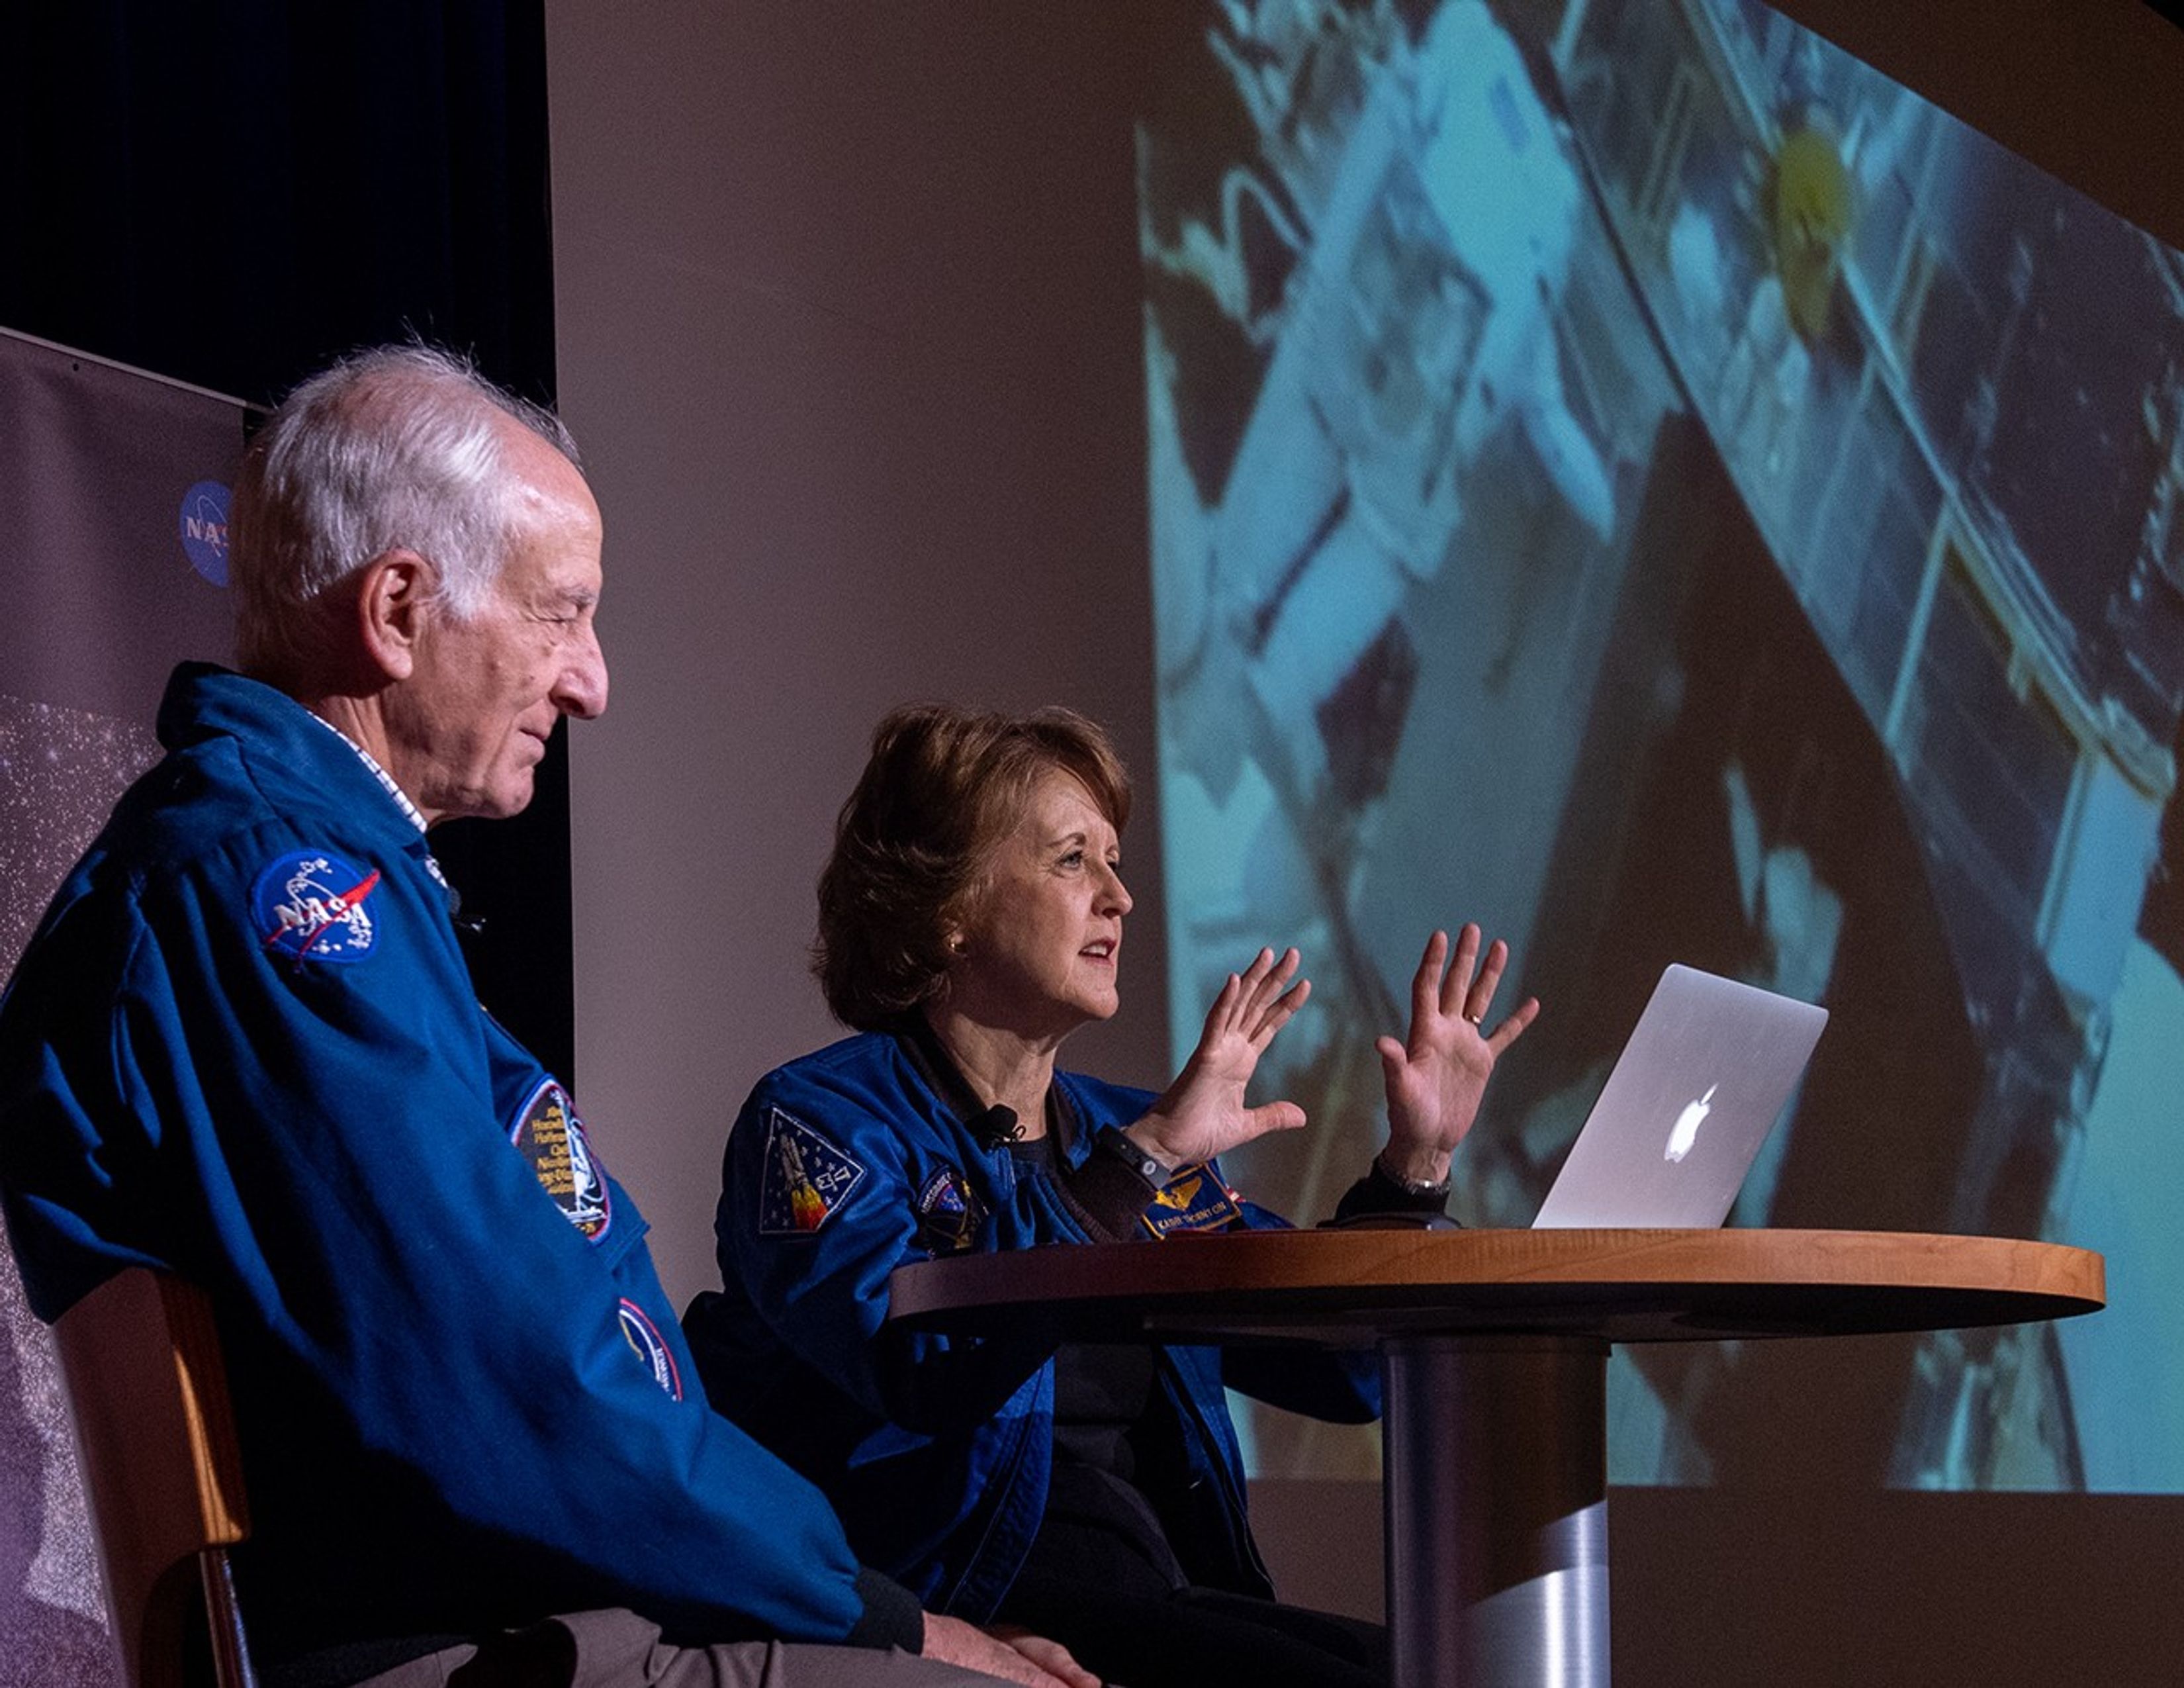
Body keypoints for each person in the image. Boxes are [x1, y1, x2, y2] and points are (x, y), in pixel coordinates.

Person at [0, 348, 1093, 1688]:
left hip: (520, 1613)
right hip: (455, 1644)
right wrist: (877, 1615)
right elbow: (514, 1368)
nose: (593, 684)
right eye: (562, 615)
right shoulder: (275, 891)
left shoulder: (307, 882)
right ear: (399, 611)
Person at [685, 703, 1538, 1688]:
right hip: (965, 1595)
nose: (1121, 898)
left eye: (1116, 859)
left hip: (1155, 1590)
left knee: (1458, 1670)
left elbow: (1341, 1372)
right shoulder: (818, 1122)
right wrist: (1134, 1167)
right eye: (1071, 860)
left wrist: (1415, 1163)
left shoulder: (1124, 1132)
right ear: (948, 906)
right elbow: (922, 1366)